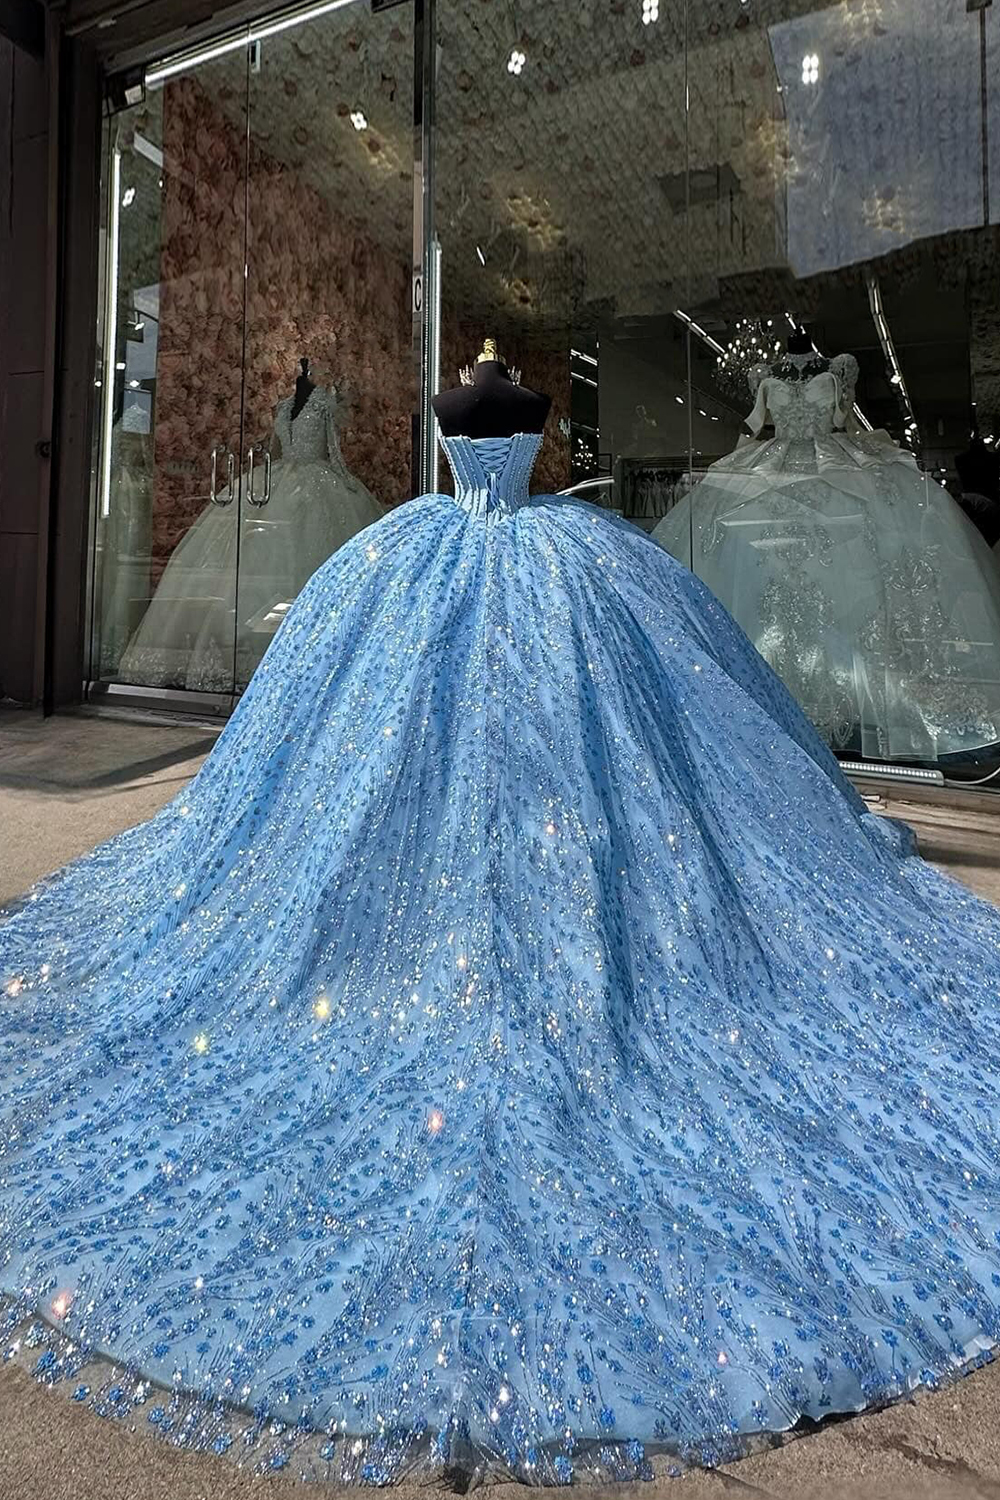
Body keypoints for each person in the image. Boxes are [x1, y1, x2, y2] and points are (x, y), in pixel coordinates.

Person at [2, 343, 1000, 1486]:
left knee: (613, 759)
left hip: (525, 569)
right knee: (380, 769)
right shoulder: (415, 535)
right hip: (474, 569)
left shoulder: (526, 515)